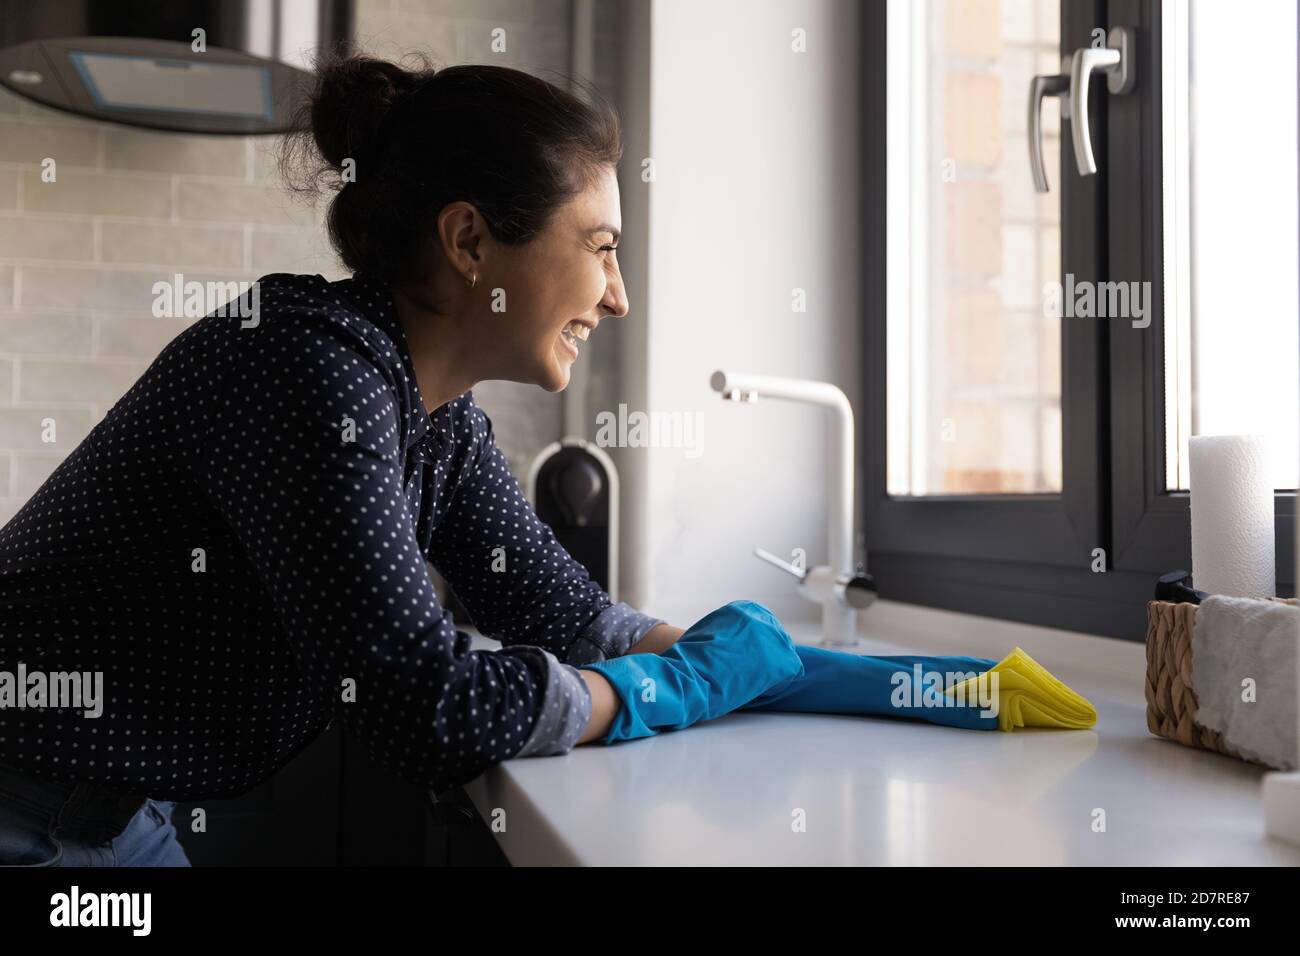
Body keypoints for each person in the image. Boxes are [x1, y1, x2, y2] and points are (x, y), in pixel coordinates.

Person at [0, 54, 693, 866]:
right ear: (470, 239)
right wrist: (666, 690)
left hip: (107, 815)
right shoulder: (304, 365)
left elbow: (571, 620)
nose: (618, 295)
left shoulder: (440, 420)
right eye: (601, 247)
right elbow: (425, 709)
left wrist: (779, 671)